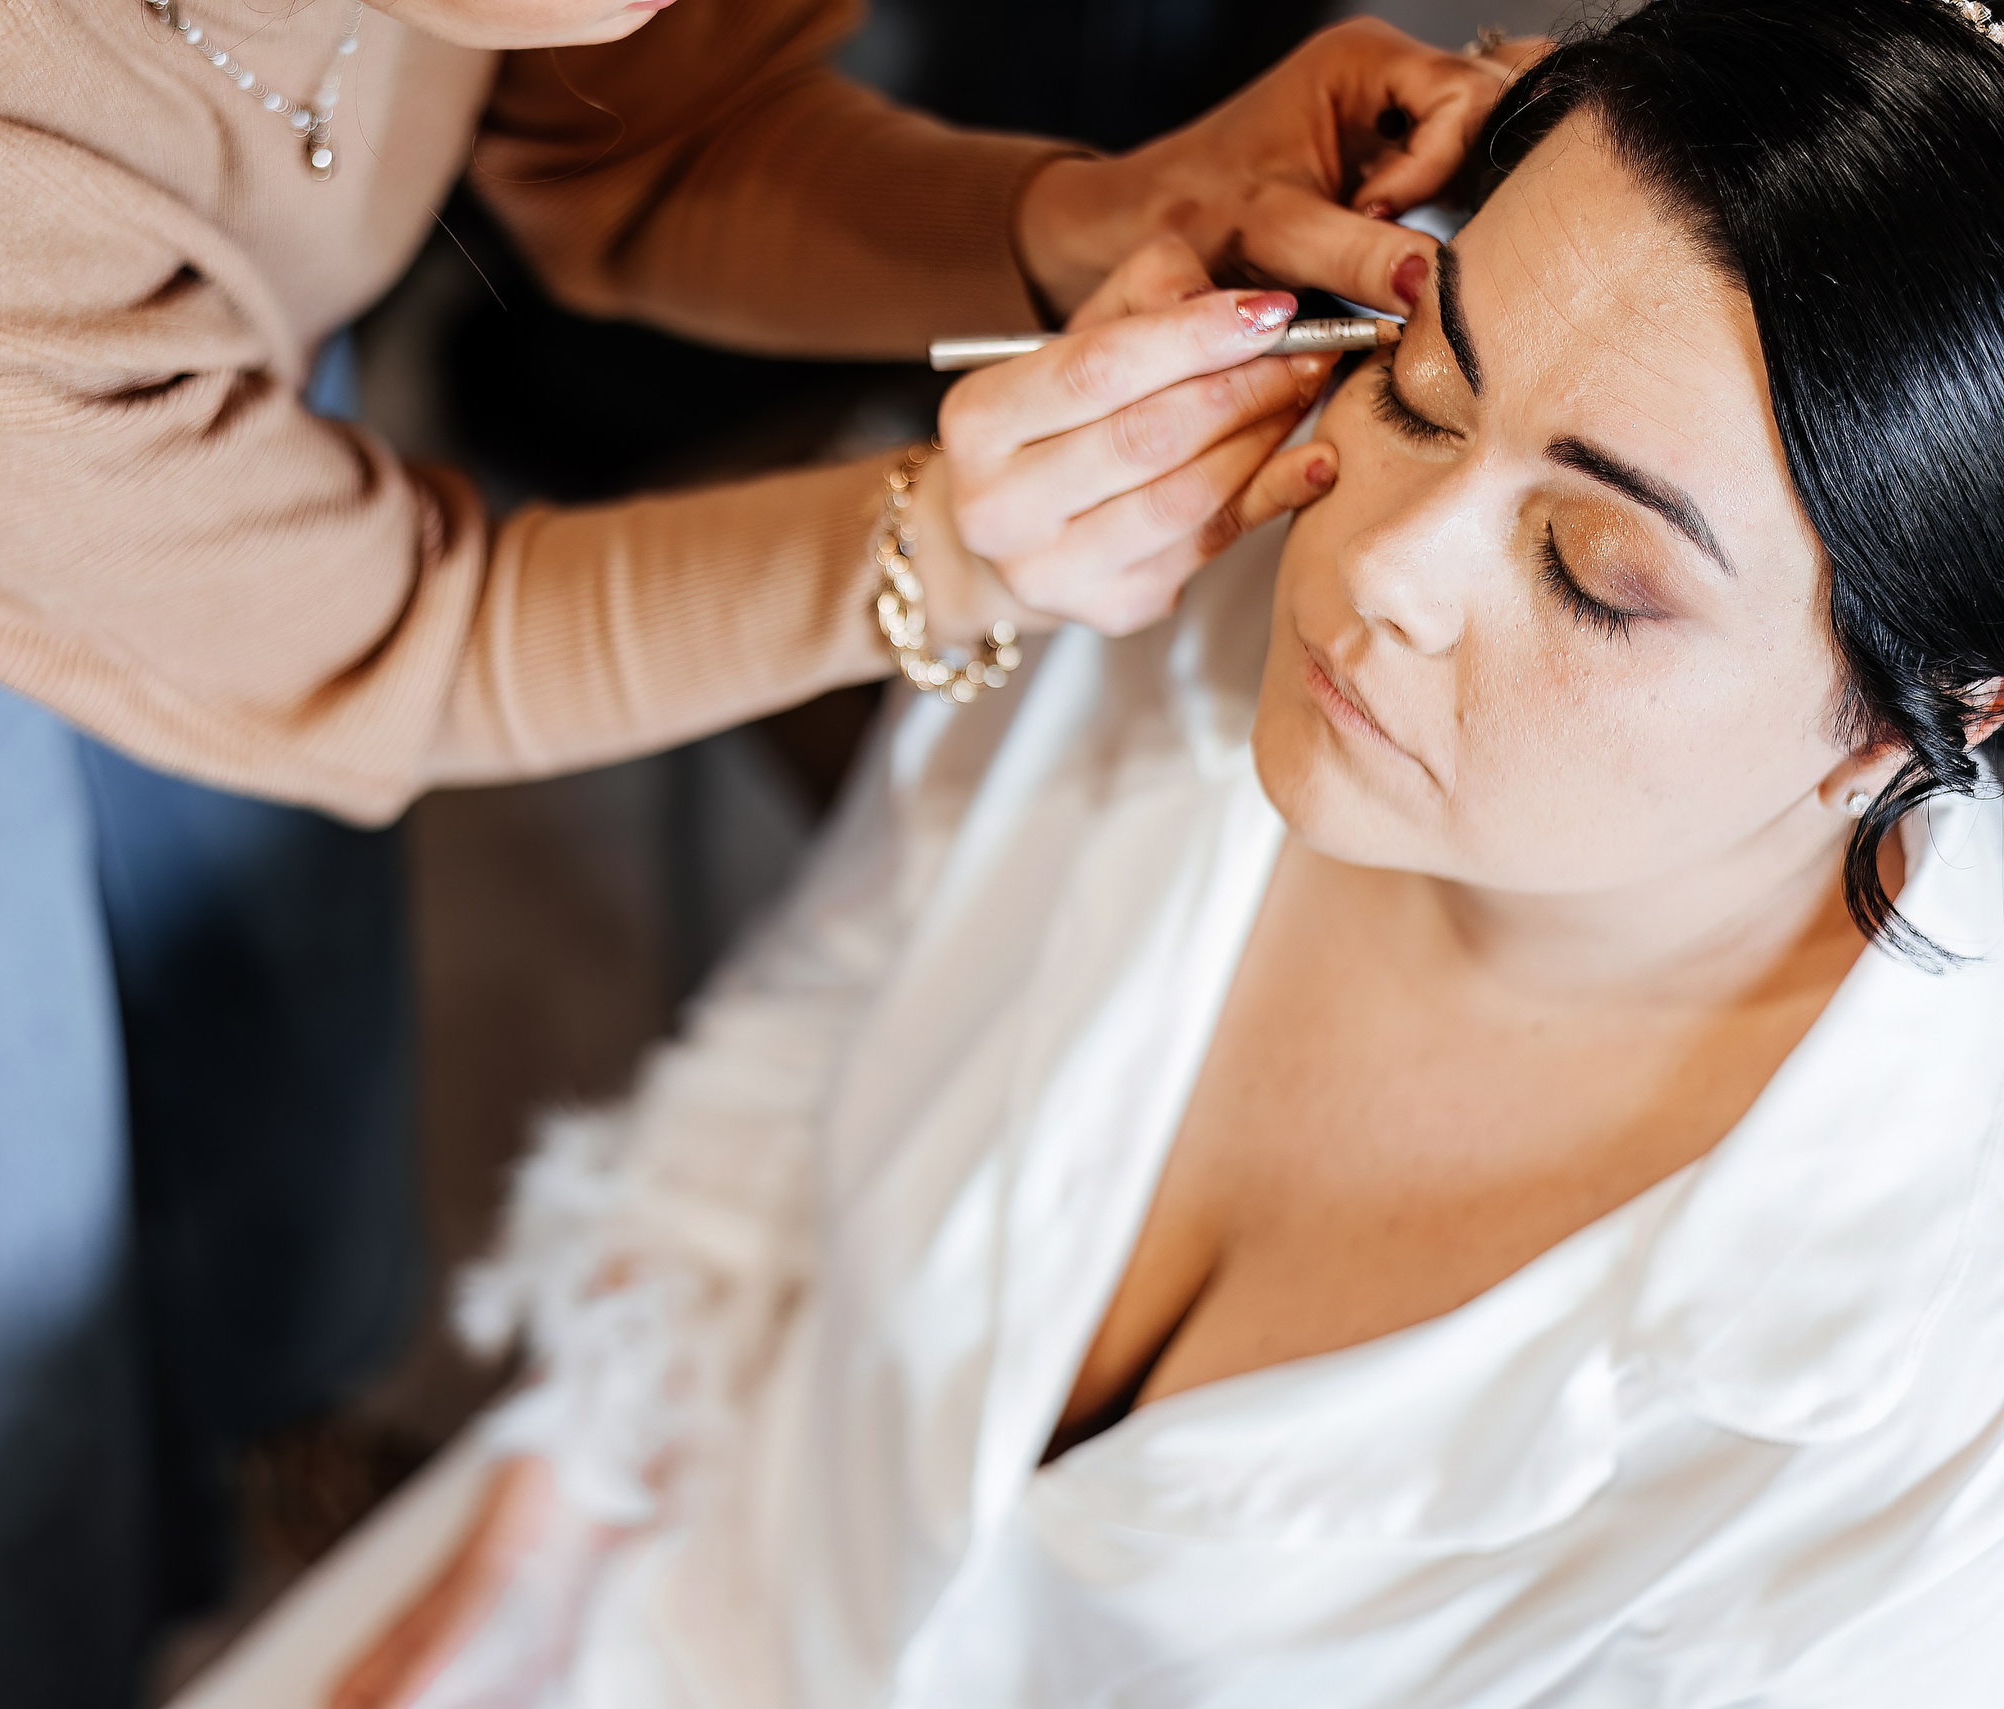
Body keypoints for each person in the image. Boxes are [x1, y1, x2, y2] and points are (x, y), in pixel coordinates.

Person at [0, 0, 1525, 1702]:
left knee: (275, 998)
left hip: (157, 332)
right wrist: (941, 551)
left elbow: (646, 150)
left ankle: (266, 1469)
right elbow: (396, 646)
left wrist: (1083, 218)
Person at [175, 1, 2004, 1702]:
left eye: (1595, 574)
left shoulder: (1931, 1443)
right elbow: (824, 1014)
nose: (1380, 565)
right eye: (1421, 385)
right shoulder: (1182, 597)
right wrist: (556, 1503)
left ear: (1920, 716)